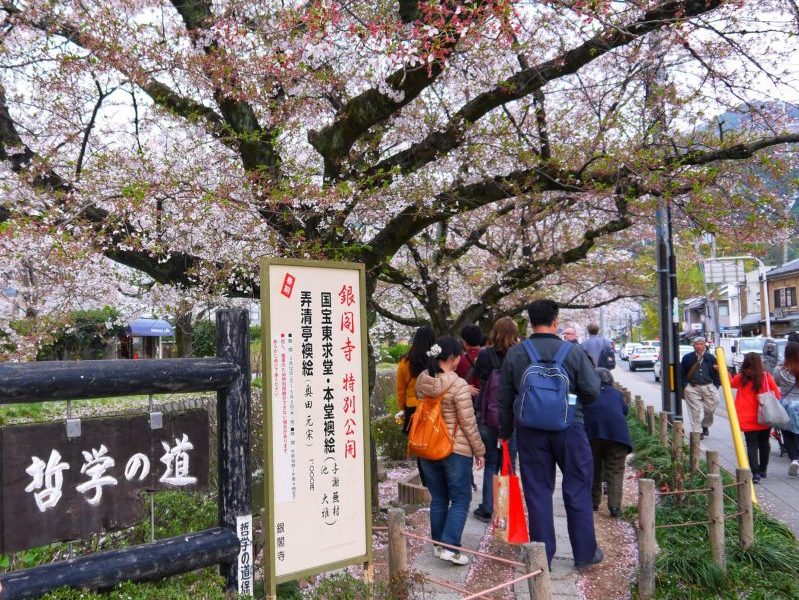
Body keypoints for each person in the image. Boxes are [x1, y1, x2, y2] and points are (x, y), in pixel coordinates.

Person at [498, 299, 602, 569]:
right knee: (578, 487)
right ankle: (584, 553)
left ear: (531, 322)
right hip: (570, 428)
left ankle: (542, 556)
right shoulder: (573, 352)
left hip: (530, 432)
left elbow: (505, 397)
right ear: (555, 321)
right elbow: (592, 391)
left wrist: (505, 433)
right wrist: (571, 404)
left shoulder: (517, 353)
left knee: (538, 492)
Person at [416, 336, 486, 565]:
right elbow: (467, 422)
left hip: (428, 447)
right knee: (461, 498)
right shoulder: (457, 385)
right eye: (457, 357)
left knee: (438, 498)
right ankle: (450, 547)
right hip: (455, 449)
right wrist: (479, 449)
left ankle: (439, 545)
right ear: (453, 358)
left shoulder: (422, 381)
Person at [470, 316, 520, 523]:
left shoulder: (484, 356)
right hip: (512, 416)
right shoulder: (519, 355)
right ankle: (505, 509)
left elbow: (480, 380)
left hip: (487, 415)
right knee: (508, 463)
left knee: (491, 461)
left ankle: (487, 508)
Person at [583, 368, 631, 517]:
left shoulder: (587, 394)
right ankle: (615, 507)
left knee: (594, 468)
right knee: (615, 470)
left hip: (593, 435)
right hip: (617, 436)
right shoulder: (617, 394)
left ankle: (593, 502)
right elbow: (625, 411)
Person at [730, 352, 780, 483]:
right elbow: (777, 394)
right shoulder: (766, 377)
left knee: (751, 445)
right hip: (764, 416)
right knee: (764, 443)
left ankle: (755, 473)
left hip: (746, 417)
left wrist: (723, 371)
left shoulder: (741, 378)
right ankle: (763, 470)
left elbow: (729, 383)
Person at [396, 326, 436, 483]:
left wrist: (402, 409)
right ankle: (437, 480)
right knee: (435, 442)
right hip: (434, 406)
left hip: (413, 408)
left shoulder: (405, 362)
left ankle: (426, 482)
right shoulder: (437, 359)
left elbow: (401, 390)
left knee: (420, 447)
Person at [680, 337, 721, 439]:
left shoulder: (711, 358)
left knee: (711, 408)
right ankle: (697, 433)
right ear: (693, 346)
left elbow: (717, 373)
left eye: (701, 344)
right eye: (696, 344)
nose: (699, 346)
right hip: (693, 387)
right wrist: (685, 386)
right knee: (695, 411)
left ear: (704, 345)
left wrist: (716, 385)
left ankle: (705, 425)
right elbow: (681, 373)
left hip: (708, 386)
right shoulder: (687, 358)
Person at [772, 341, 799, 476]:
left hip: (786, 404)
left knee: (787, 434)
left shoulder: (780, 369)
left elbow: (775, 382)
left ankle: (794, 459)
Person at [456, 324, 483, 390]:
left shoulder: (459, 360)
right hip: (486, 397)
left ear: (464, 341)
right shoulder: (489, 356)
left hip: (465, 397)